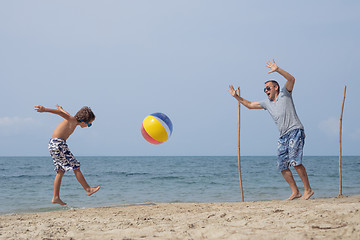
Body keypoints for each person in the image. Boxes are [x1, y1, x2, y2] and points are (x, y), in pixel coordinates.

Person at [228, 59, 314, 200]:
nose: (266, 91)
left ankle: (308, 190)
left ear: (276, 88)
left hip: (295, 130)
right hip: (283, 136)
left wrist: (277, 69)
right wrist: (236, 96)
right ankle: (295, 192)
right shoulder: (266, 103)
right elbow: (249, 104)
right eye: (264, 89)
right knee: (282, 165)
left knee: (295, 161)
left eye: (268, 88)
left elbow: (292, 79)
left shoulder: (285, 93)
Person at [34, 104, 100, 205]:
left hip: (53, 144)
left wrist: (61, 109)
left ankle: (56, 197)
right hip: (59, 144)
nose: (88, 126)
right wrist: (45, 109)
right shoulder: (72, 120)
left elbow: (64, 113)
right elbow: (61, 114)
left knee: (60, 170)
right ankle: (88, 189)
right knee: (76, 166)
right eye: (89, 124)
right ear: (83, 121)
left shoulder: (72, 120)